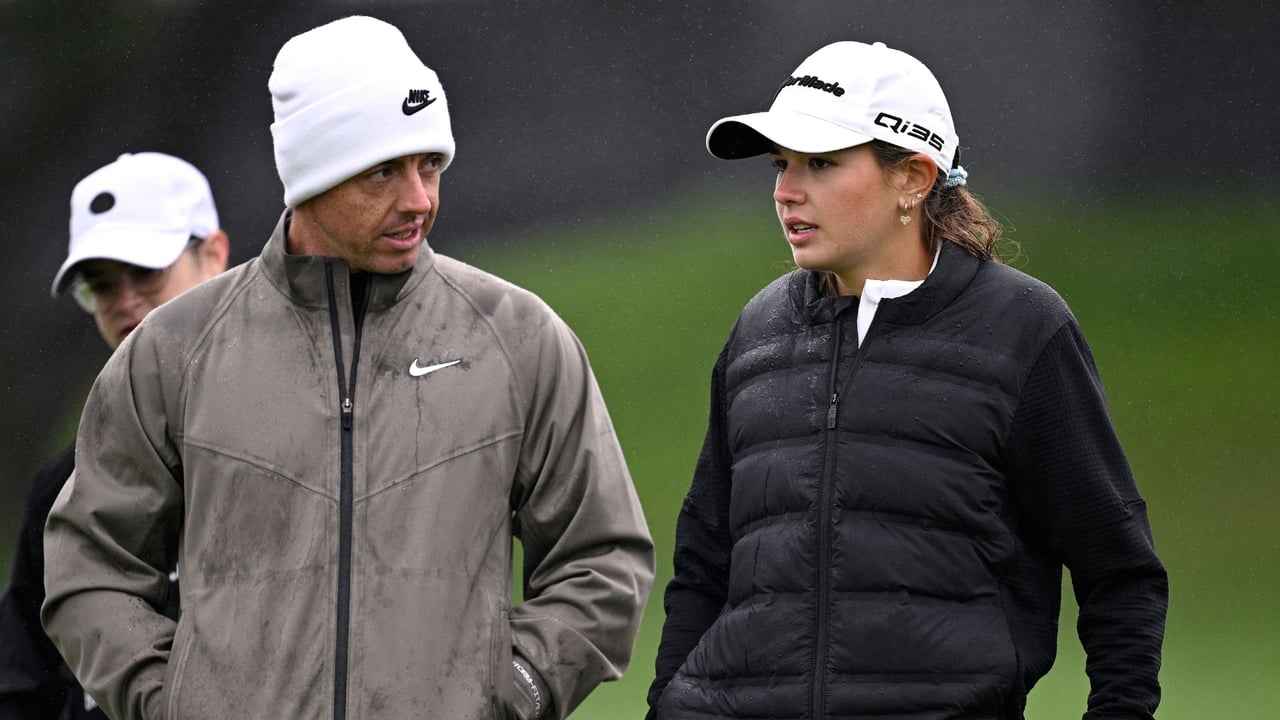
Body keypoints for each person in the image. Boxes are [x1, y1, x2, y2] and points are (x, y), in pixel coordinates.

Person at [41, 15, 654, 720]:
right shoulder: (172, 350)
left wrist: (510, 694)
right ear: (310, 176)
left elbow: (603, 561)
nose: (419, 199)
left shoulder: (520, 340)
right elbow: (89, 567)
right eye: (383, 172)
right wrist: (167, 700)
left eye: (430, 165)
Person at [646, 41, 1168, 720]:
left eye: (822, 163)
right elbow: (703, 567)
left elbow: (1119, 573)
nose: (785, 191)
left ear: (915, 179)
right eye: (782, 165)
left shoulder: (1022, 328)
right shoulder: (759, 329)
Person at [0, 151, 231, 719]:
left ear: (216, 256)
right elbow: (20, 690)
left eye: (147, 270)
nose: (126, 301)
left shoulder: (301, 437)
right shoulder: (63, 484)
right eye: (101, 285)